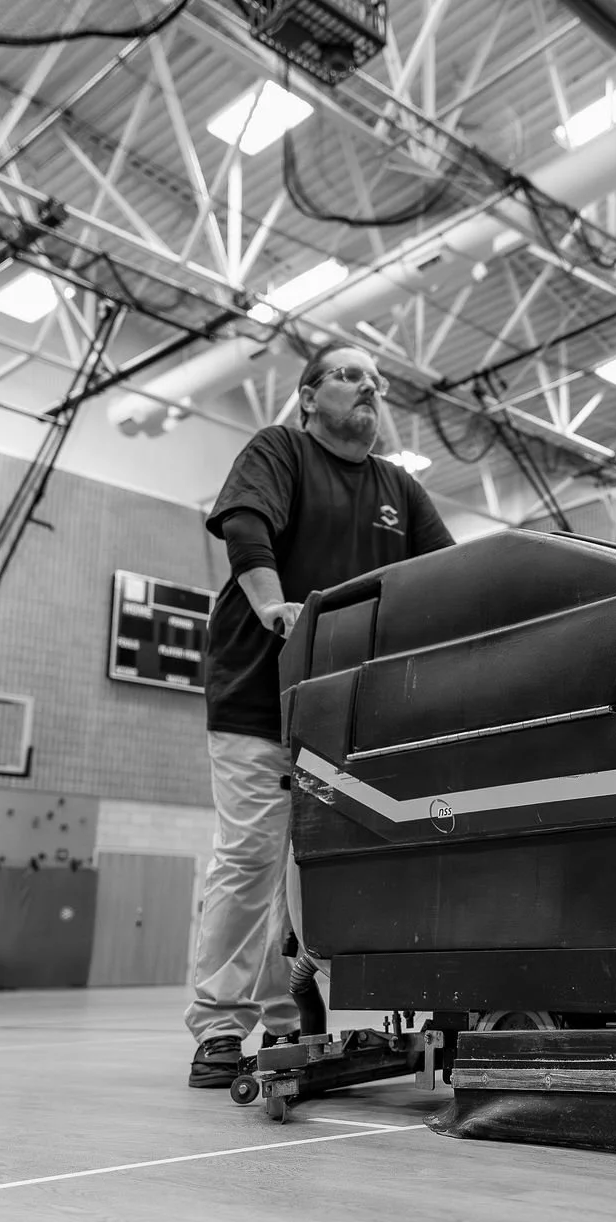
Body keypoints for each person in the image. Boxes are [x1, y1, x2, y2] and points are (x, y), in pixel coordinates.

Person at [185, 342, 455, 1088]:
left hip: (347, 716)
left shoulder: (398, 486)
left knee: (323, 871)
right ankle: (217, 1024)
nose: (368, 387)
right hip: (257, 695)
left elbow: (444, 579)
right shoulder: (279, 451)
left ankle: (290, 1008)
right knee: (251, 858)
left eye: (377, 382)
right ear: (307, 397)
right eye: (347, 375)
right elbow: (246, 529)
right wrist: (273, 603)